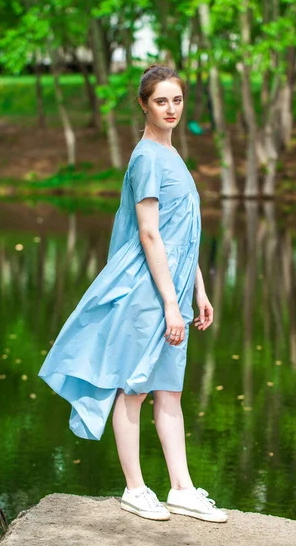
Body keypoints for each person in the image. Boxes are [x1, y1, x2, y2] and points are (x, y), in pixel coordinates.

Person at [38, 64, 228, 524]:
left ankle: (181, 489)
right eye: (161, 101)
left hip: (175, 290)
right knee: (135, 389)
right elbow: (148, 235)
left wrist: (197, 290)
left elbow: (180, 234)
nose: (171, 109)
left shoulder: (173, 154)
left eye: (177, 100)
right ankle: (136, 488)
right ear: (144, 104)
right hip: (148, 294)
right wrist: (168, 304)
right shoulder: (146, 157)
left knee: (170, 393)